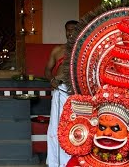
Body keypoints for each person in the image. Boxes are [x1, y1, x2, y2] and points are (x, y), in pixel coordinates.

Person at [45, 20, 78, 167]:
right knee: (57, 126)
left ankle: (74, 161)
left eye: (73, 30)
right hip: (60, 91)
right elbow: (47, 70)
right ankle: (55, 162)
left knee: (75, 125)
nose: (70, 32)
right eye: (68, 30)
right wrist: (51, 79)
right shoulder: (57, 50)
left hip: (76, 92)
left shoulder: (83, 49)